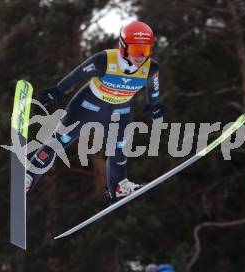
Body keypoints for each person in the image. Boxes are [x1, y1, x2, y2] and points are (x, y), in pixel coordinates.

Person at [25, 21, 165, 202]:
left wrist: (153, 104)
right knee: (59, 141)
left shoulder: (151, 68)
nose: (140, 56)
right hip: (88, 106)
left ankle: (118, 186)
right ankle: (29, 175)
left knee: (119, 149)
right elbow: (78, 74)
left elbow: (153, 88)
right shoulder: (105, 60)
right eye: (135, 50)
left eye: (145, 50)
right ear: (123, 47)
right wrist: (58, 90)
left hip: (120, 111)